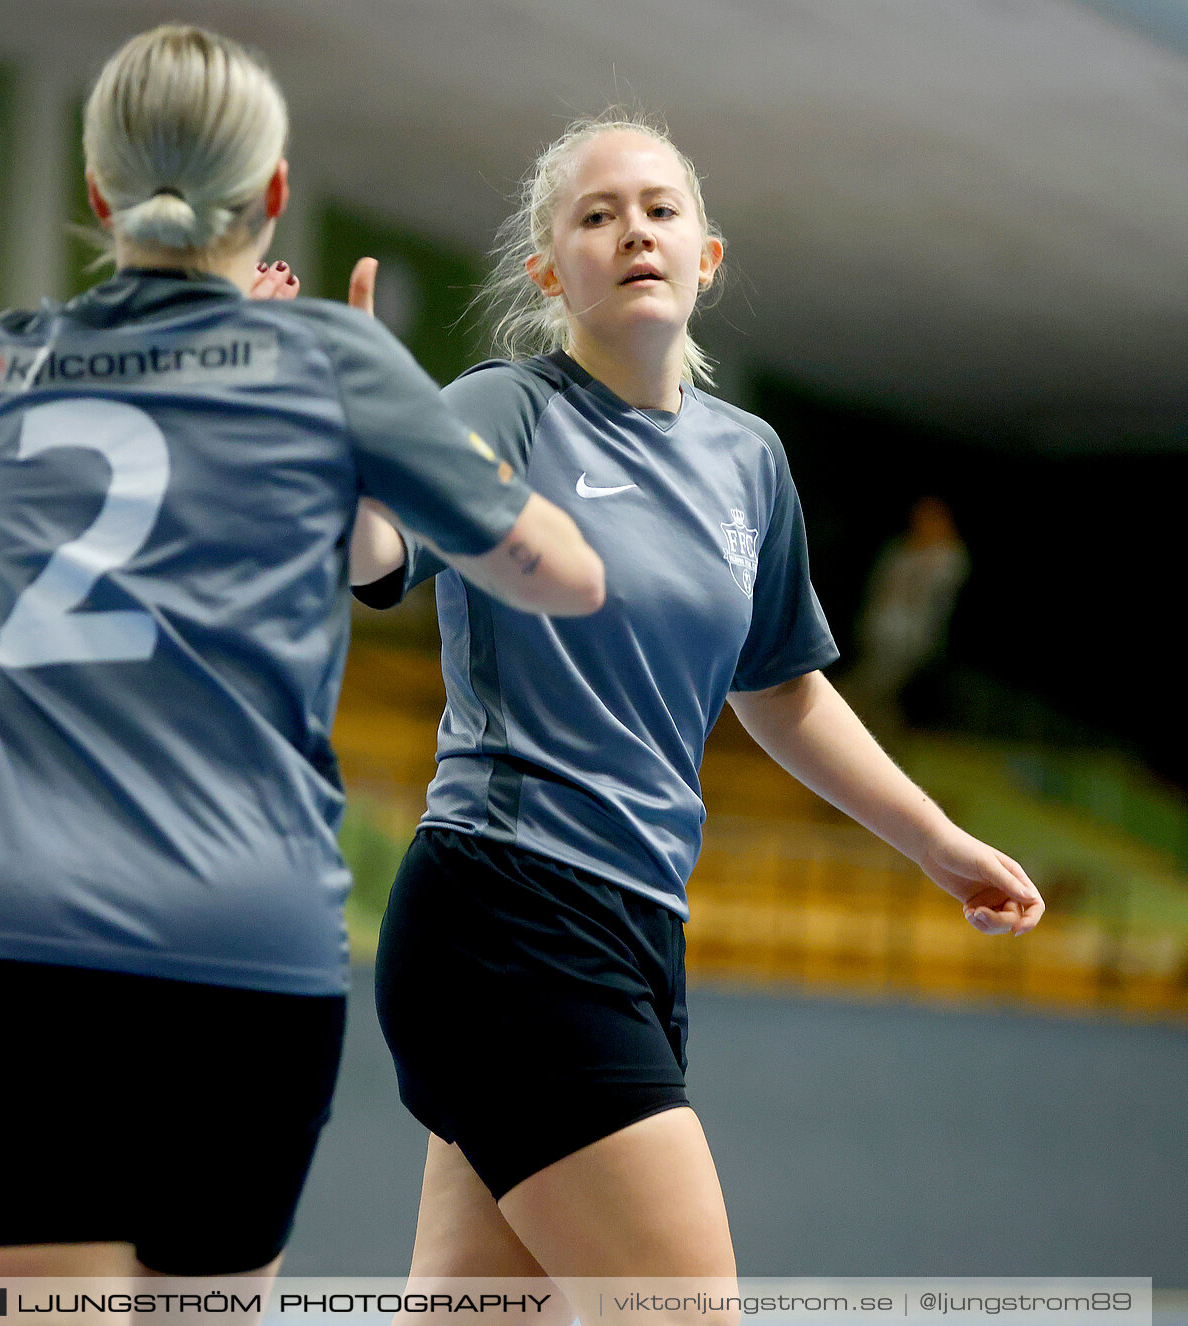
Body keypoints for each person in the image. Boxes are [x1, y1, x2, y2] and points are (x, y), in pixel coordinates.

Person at [0, 22, 602, 1289]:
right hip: (231, 941)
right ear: (275, 197)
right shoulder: (329, 362)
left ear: (101, 192)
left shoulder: (7, 362)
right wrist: (362, 409)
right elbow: (562, 571)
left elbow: (65, 465)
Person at [350, 113, 1043, 1318]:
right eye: (598, 215)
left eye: (661, 210)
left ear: (706, 256)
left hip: (637, 930)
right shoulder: (509, 408)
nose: (634, 234)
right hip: (510, 911)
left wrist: (939, 842)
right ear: (548, 269)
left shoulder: (748, 461)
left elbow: (782, 688)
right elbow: (377, 558)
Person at [846, 494, 970, 744]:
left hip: (910, 640)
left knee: (862, 691)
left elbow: (943, 582)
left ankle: (867, 746)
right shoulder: (900, 550)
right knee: (878, 698)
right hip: (879, 630)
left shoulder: (949, 556)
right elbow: (880, 589)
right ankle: (890, 749)